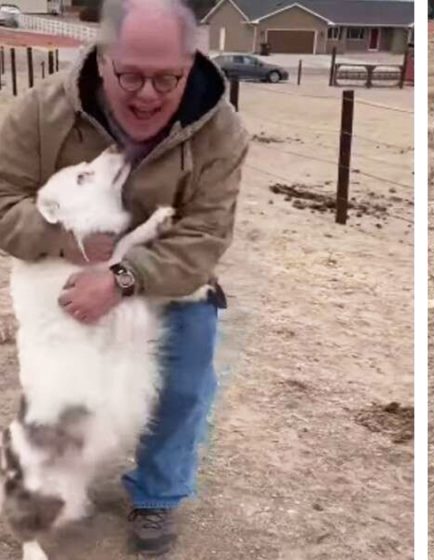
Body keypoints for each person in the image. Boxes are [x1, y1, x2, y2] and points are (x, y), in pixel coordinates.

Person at [0, 0, 249, 555]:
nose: (148, 94)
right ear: (104, 59)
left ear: (191, 64)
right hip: (64, 275)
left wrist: (120, 280)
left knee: (185, 381)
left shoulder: (221, 132)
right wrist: (63, 241)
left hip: (160, 273)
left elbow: (204, 237)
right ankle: (40, 486)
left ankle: (157, 495)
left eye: (168, 78)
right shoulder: (40, 113)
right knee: (59, 395)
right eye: (132, 75)